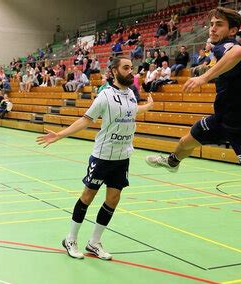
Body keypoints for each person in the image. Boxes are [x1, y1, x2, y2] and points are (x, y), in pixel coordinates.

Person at [144, 7, 241, 272]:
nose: (212, 28)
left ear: (232, 30)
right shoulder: (230, 47)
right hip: (222, 120)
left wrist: (204, 76)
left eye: (218, 24)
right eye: (211, 24)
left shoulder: (226, 47)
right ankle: (172, 162)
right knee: (186, 141)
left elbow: (239, 52)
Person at [36, 56, 154, 260]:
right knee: (88, 196)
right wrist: (60, 135)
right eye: (126, 68)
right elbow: (85, 120)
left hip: (122, 156)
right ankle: (70, 239)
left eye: (131, 68)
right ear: (115, 71)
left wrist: (148, 106)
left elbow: (133, 111)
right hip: (102, 155)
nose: (130, 71)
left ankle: (94, 242)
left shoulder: (132, 95)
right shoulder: (104, 97)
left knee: (113, 199)